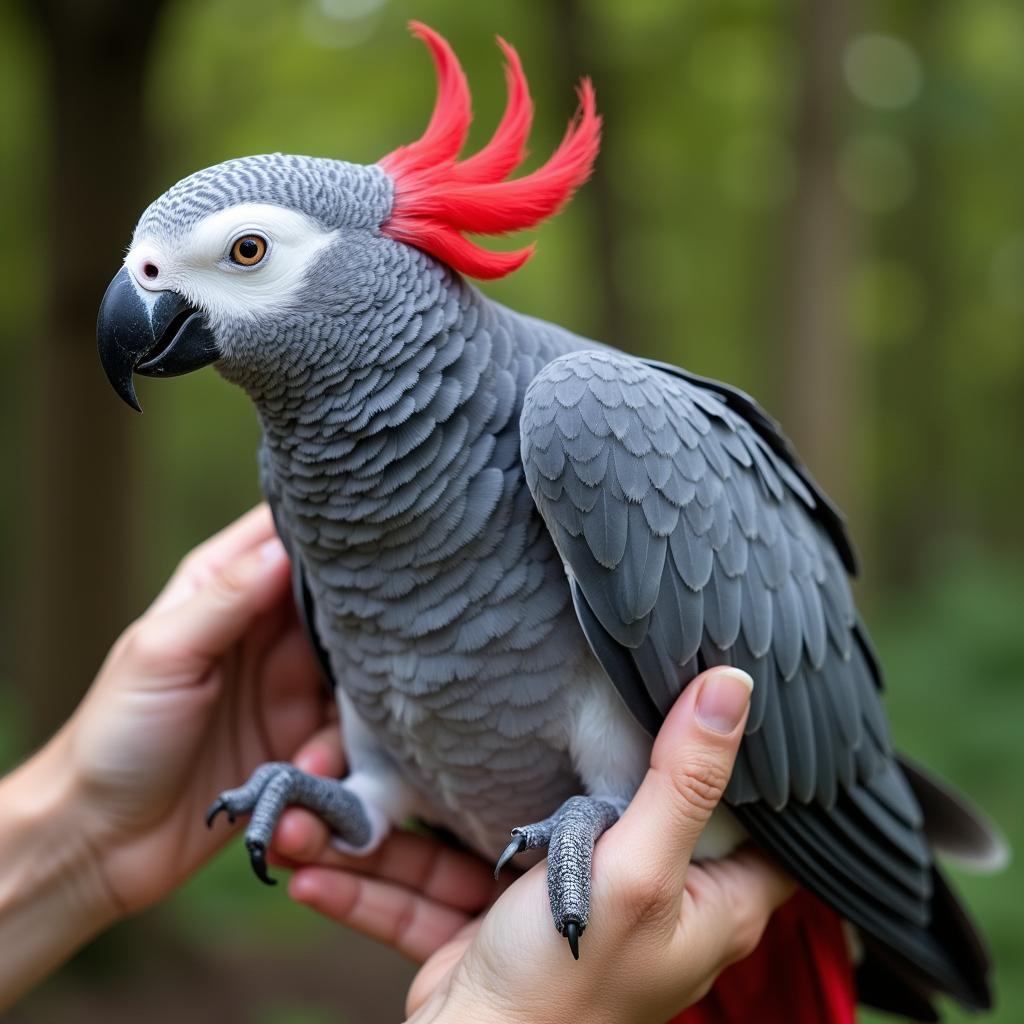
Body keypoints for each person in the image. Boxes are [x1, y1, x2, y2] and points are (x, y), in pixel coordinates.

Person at [0, 506, 793, 1022]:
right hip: (433, 792)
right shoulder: (316, 501)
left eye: (247, 250)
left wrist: (82, 839)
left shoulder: (581, 427)